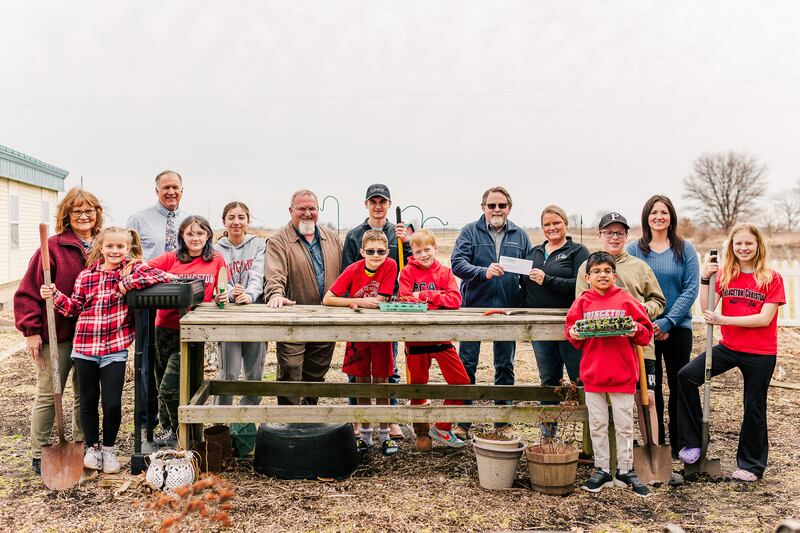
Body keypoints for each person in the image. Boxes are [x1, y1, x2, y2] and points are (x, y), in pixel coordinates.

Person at [40, 227, 168, 473]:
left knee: (111, 403)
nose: (115, 251)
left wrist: (126, 283)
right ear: (101, 247)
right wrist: (54, 294)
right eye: (110, 246)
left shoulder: (132, 269)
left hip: (114, 349)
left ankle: (109, 449)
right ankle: (93, 448)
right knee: (88, 401)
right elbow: (73, 307)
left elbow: (159, 276)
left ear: (128, 249)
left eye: (120, 247)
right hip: (85, 347)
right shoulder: (86, 275)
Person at [677, 223, 784, 482]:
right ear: (731, 246)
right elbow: (707, 308)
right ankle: (693, 443)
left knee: (753, 405)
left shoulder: (771, 277)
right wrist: (705, 279)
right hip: (729, 347)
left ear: (758, 245)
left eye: (748, 243)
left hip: (760, 352)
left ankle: (751, 465)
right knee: (686, 376)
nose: (743, 248)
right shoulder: (725, 275)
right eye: (738, 243)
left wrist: (724, 320)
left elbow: (764, 318)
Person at [14, 187, 103, 475]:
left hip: (92, 336)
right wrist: (31, 330)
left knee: (85, 395)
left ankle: (81, 445)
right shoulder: (53, 246)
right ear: (67, 215)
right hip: (59, 335)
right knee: (49, 392)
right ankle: (40, 451)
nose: (83, 216)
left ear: (97, 213)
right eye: (77, 211)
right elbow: (28, 291)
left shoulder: (105, 246)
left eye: (89, 210)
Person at [566, 251, 654, 497]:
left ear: (614, 275)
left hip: (622, 373)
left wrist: (634, 329)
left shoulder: (626, 300)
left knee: (625, 425)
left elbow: (646, 332)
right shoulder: (583, 302)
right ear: (588, 277)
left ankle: (626, 470)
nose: (602, 275)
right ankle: (602, 469)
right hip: (593, 374)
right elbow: (571, 330)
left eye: (607, 271)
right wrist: (574, 333)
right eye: (597, 271)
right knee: (598, 424)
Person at [575, 212, 665, 447]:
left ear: (626, 236)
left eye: (619, 233)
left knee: (648, 399)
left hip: (639, 345)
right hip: (606, 350)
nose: (614, 237)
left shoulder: (639, 267)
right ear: (600, 235)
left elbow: (658, 301)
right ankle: (615, 458)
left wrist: (639, 310)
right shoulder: (589, 267)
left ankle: (651, 450)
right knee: (606, 405)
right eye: (609, 233)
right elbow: (580, 305)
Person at [450, 186, 532, 437]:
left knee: (505, 365)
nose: (497, 210)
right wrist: (481, 272)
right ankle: (464, 422)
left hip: (507, 309)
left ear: (509, 207)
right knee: (467, 364)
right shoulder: (470, 232)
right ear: (483, 207)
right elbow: (457, 263)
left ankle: (502, 420)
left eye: (502, 205)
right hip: (475, 308)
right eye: (492, 205)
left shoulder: (520, 235)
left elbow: (528, 269)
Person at [147, 216, 229, 441]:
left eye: (200, 233)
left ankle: (181, 431)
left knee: (169, 387)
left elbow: (222, 293)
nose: (195, 238)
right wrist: (165, 277)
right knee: (160, 382)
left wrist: (223, 297)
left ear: (208, 236)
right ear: (182, 236)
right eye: (190, 234)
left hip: (192, 331)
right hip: (165, 328)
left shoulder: (216, 260)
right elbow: (142, 269)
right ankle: (168, 430)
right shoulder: (170, 258)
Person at [627, 195, 699, 448]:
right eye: (653, 212)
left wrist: (667, 322)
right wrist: (651, 323)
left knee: (680, 383)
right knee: (651, 387)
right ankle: (656, 443)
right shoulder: (634, 250)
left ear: (671, 217)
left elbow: (690, 290)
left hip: (678, 328)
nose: (659, 216)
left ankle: (683, 443)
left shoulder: (685, 249)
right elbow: (629, 290)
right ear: (646, 217)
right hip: (645, 330)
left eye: (664, 212)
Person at [341, 183, 411, 440]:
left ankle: (389, 419)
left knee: (388, 366)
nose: (378, 206)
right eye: (374, 201)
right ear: (366, 204)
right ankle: (358, 419)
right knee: (356, 367)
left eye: (383, 201)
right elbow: (349, 272)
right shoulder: (354, 235)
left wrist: (408, 241)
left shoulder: (399, 233)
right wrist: (355, 302)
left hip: (389, 307)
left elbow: (411, 265)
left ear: (390, 205)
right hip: (361, 307)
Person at [323, 230, 399, 456]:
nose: (376, 256)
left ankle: (384, 434)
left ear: (387, 252)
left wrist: (361, 303)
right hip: (357, 333)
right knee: (362, 381)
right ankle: (365, 434)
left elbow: (380, 300)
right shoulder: (353, 269)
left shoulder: (390, 265)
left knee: (382, 381)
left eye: (381, 251)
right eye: (371, 251)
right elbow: (328, 298)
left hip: (380, 333)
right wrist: (355, 301)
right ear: (362, 252)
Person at [264, 190, 343, 405]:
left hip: (326, 318)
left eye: (312, 208)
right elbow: (274, 274)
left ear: (318, 211)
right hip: (293, 319)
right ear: (291, 211)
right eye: (301, 209)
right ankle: (289, 424)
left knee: (317, 371)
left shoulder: (332, 238)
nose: (307, 213)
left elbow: (346, 275)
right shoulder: (278, 241)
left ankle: (309, 421)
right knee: (290, 368)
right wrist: (276, 294)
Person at [520, 205, 589, 439]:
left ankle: (589, 435)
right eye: (547, 224)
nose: (552, 228)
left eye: (556, 223)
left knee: (579, 377)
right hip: (541, 324)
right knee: (549, 379)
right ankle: (548, 435)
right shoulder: (535, 253)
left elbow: (580, 285)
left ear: (565, 224)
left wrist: (547, 279)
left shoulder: (577, 251)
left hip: (570, 322)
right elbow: (524, 286)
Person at [398, 229, 470, 450]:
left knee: (461, 382)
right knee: (418, 389)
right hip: (416, 340)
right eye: (418, 251)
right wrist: (437, 300)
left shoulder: (445, 272)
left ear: (435, 248)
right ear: (412, 252)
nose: (423, 254)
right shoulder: (407, 272)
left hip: (441, 338)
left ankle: (442, 427)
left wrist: (425, 296)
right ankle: (422, 431)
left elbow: (455, 299)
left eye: (427, 249)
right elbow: (405, 300)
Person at [213, 201, 267, 406]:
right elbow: (218, 279)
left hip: (253, 315)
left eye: (241, 217)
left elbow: (258, 273)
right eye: (231, 218)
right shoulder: (215, 249)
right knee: (229, 374)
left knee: (255, 376)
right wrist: (229, 293)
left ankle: (244, 426)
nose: (236, 222)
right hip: (229, 319)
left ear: (248, 220)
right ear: (224, 222)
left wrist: (249, 295)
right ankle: (221, 427)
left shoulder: (258, 244)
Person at [126, 170, 189, 261]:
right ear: (157, 191)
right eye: (166, 187)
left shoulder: (191, 221)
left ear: (182, 191)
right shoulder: (137, 220)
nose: (171, 192)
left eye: (175, 187)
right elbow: (127, 255)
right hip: (148, 274)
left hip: (182, 274)